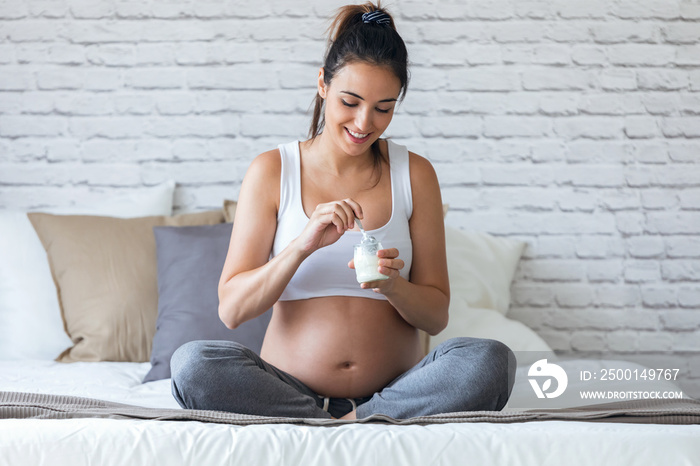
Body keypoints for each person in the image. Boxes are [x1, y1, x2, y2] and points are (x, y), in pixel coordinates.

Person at [170, 1, 515, 420]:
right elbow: (232, 310)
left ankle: (363, 417)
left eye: (383, 108)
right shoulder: (272, 170)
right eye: (350, 101)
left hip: (397, 389)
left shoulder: (416, 174)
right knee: (193, 365)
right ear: (322, 84)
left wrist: (393, 286)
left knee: (490, 361)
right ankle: (324, 415)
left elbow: (436, 317)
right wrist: (301, 246)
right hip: (288, 387)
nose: (364, 123)